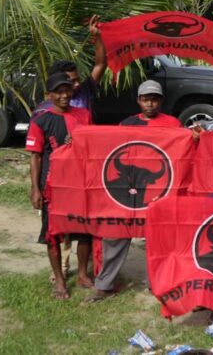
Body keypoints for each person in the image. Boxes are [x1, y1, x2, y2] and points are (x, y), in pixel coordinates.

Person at [86, 81, 184, 303]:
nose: (150, 103)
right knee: (115, 236)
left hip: (158, 193)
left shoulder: (174, 125)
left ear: (161, 101)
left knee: (158, 240)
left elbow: (181, 156)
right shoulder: (126, 124)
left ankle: (157, 284)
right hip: (126, 194)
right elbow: (109, 149)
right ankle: (105, 285)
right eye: (146, 98)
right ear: (139, 100)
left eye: (155, 98)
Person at [26, 73, 94, 300]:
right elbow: (35, 157)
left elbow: (93, 146)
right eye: (58, 91)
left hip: (80, 183)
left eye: (67, 90)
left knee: (84, 231)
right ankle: (60, 281)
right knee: (52, 234)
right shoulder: (40, 119)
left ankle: (83, 274)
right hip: (52, 186)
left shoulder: (84, 115)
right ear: (49, 95)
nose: (64, 95)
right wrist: (35, 188)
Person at [33, 15, 107, 118]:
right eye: (72, 81)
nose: (77, 84)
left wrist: (97, 36)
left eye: (78, 79)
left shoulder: (84, 90)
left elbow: (100, 64)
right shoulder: (43, 111)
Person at [117, 80, 183, 127]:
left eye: (154, 100)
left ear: (161, 101)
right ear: (138, 101)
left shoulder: (173, 124)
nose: (149, 104)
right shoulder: (127, 124)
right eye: (145, 100)